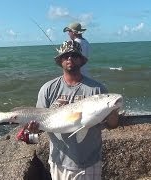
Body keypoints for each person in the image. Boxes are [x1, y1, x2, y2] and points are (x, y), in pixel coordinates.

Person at [18, 40, 119, 180]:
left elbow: (112, 125)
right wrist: (33, 128)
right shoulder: (48, 88)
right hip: (58, 161)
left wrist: (113, 110)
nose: (70, 58)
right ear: (60, 61)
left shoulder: (97, 89)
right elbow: (41, 122)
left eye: (74, 55)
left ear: (81, 60)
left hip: (89, 162)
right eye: (66, 56)